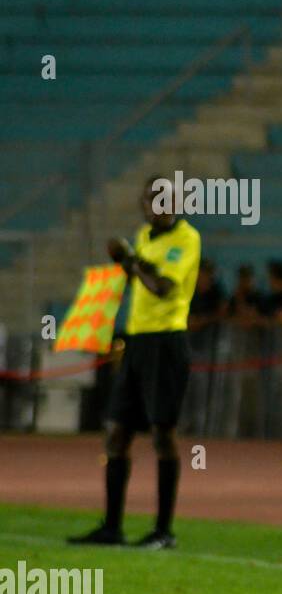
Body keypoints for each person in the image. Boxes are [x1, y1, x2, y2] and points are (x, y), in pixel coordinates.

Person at [70, 174, 201, 550]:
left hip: (166, 342)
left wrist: (130, 261)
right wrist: (125, 265)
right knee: (115, 431)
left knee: (163, 434)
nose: (158, 205)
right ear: (145, 204)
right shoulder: (145, 237)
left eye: (166, 198)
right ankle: (112, 527)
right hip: (137, 341)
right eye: (152, 199)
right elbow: (139, 280)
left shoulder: (187, 238)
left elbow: (163, 288)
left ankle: (164, 531)